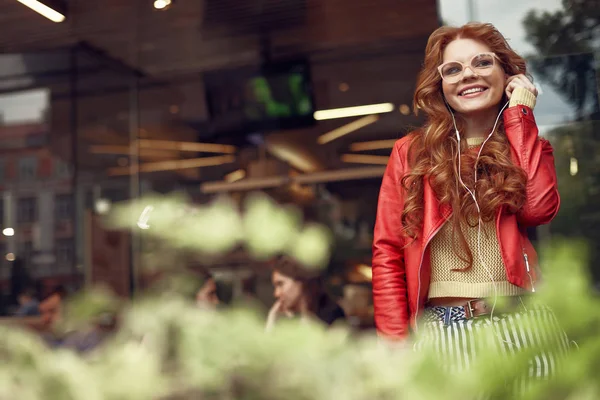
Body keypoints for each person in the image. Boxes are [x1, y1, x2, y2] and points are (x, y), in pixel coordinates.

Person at [372, 22, 569, 376]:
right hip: (445, 332)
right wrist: (395, 344)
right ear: (441, 84)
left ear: (507, 74)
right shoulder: (411, 153)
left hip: (525, 321)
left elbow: (538, 209)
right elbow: (387, 252)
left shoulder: (526, 145)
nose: (468, 75)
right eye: (453, 69)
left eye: (482, 63)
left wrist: (520, 115)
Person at [266, 256, 345, 331]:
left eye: (280, 284)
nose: (276, 293)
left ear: (301, 282)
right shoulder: (288, 320)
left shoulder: (333, 319)